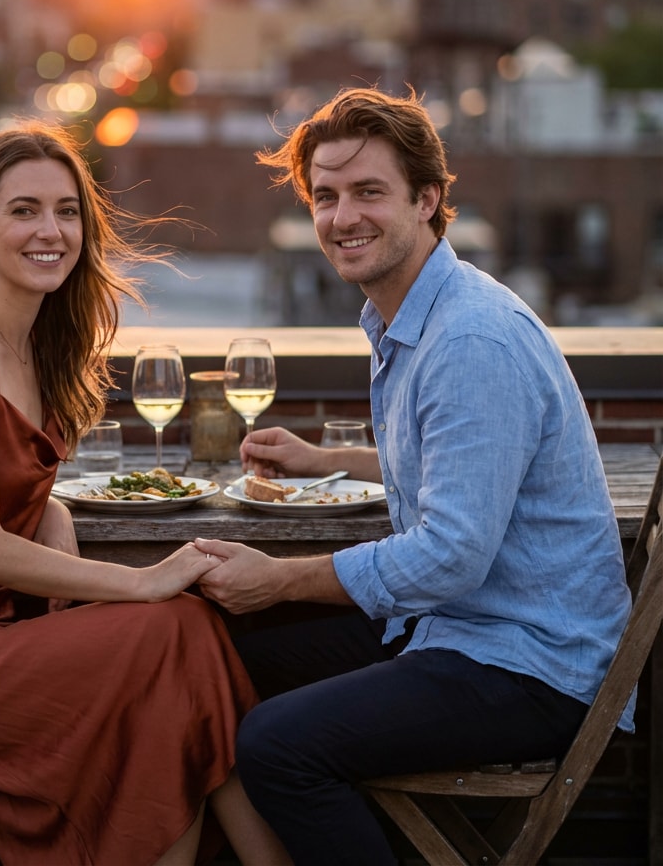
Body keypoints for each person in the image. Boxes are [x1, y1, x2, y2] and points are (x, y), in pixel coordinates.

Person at [0, 121, 289, 866]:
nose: (52, 230)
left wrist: (54, 507)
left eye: (68, 210)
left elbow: (6, 485)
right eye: (24, 210)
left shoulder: (37, 348)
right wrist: (140, 581)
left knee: (185, 641)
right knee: (170, 628)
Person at [194, 88, 633, 866]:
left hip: (527, 663)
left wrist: (280, 580)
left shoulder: (470, 340)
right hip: (464, 627)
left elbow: (450, 555)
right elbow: (462, 469)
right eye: (324, 197)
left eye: (369, 192)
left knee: (276, 745)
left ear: (427, 200)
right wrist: (332, 460)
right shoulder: (410, 315)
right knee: (214, 650)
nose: (342, 217)